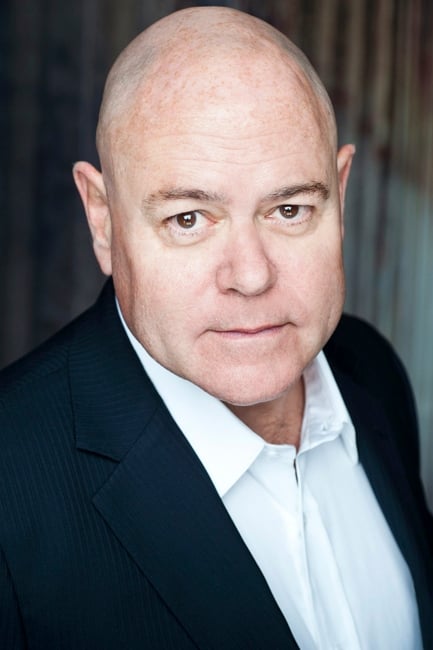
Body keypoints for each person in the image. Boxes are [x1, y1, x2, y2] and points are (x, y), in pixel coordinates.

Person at [0, 6, 432, 649]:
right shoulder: (10, 481)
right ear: (103, 220)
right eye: (189, 219)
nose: (251, 276)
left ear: (340, 197)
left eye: (290, 209)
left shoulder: (371, 371)